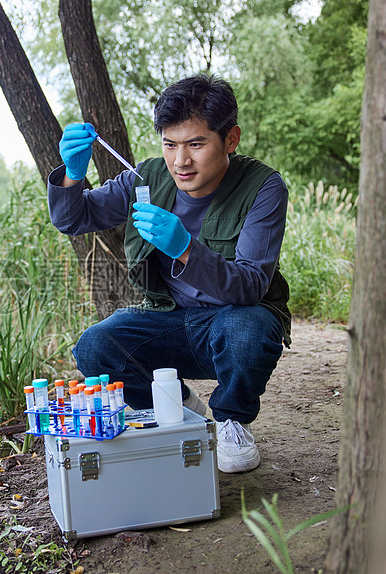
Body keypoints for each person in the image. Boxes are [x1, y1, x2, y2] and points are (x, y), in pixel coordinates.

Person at [47, 73, 291, 473]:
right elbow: (75, 219)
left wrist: (186, 250)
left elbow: (250, 286)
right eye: (170, 145)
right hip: (170, 320)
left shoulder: (263, 187)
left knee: (249, 327)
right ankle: (177, 405)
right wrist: (73, 174)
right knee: (94, 346)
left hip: (232, 321)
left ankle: (231, 422)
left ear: (231, 139)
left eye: (196, 144)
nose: (181, 161)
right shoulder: (146, 178)